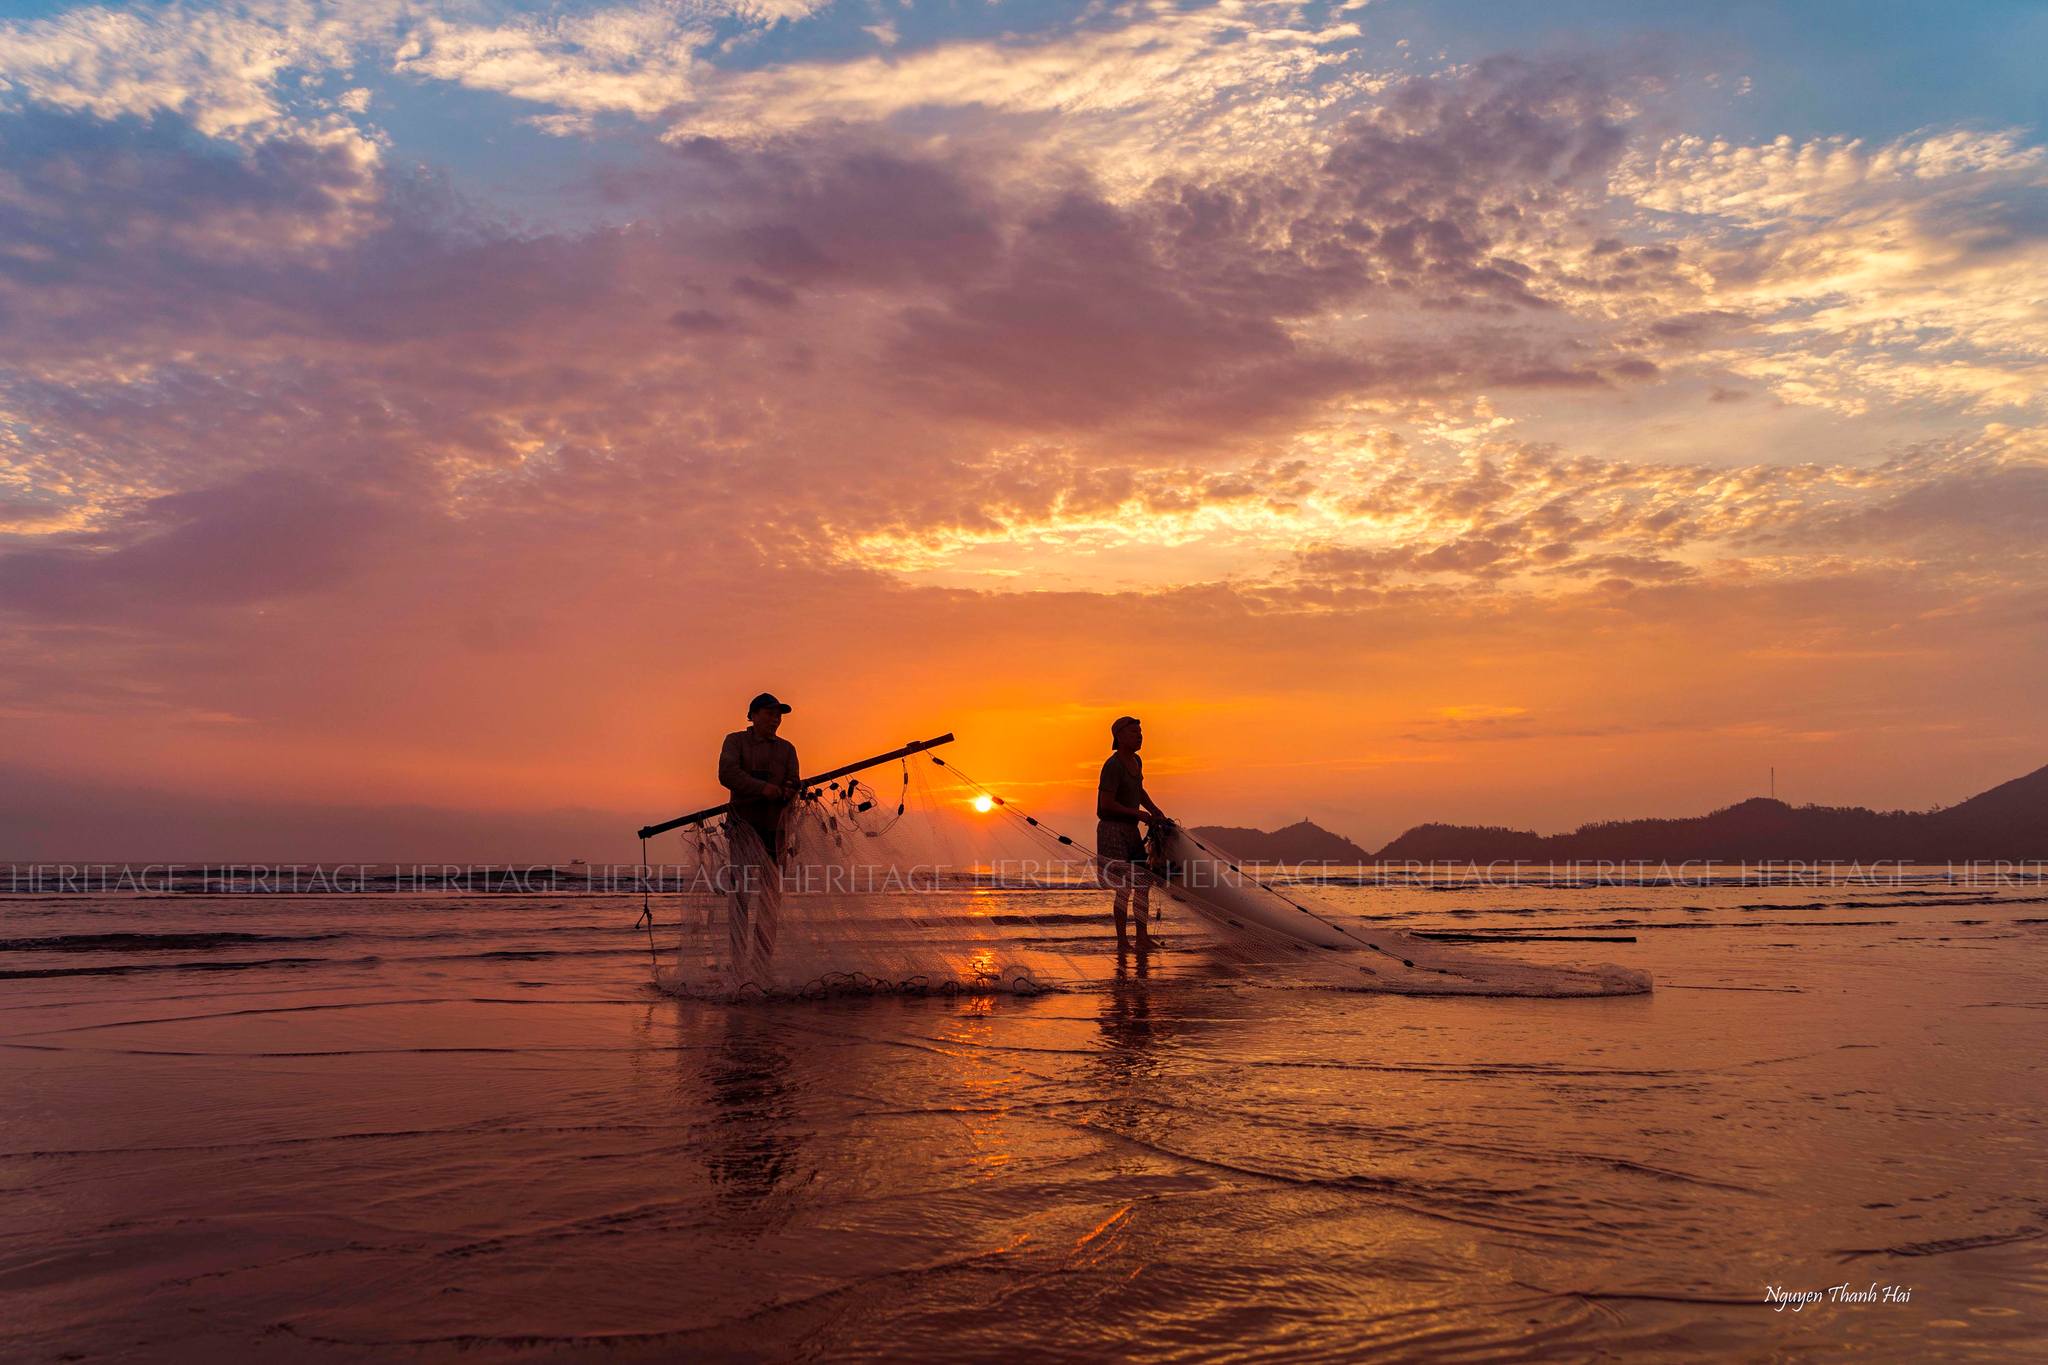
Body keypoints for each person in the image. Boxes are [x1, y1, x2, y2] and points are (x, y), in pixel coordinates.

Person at [717, 692, 801, 980]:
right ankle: (738, 964)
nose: (775, 719)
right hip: (743, 827)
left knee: (769, 899)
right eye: (768, 713)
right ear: (751, 715)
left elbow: (794, 779)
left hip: (774, 831)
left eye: (778, 714)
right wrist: (763, 789)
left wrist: (788, 789)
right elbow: (728, 774)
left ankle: (762, 964)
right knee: (740, 896)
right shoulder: (735, 741)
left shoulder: (787, 749)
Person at [1096, 714, 1167, 952]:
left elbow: (1140, 791)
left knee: (1143, 883)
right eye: (1134, 733)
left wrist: (1154, 810)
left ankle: (1142, 938)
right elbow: (1106, 804)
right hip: (1112, 830)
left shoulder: (1137, 761)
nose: (1139, 736)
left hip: (1131, 830)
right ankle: (1122, 942)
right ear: (1119, 736)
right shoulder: (1113, 765)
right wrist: (1137, 814)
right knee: (1123, 887)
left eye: (1141, 732)